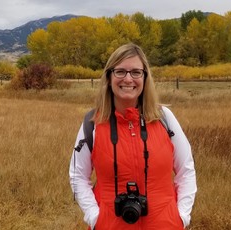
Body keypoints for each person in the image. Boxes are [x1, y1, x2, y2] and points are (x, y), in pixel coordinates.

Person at [69, 43, 197, 230]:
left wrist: (181, 216)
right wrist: (95, 217)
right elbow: (77, 176)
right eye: (120, 71)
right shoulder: (93, 123)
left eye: (136, 72)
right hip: (110, 225)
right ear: (109, 76)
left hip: (164, 224)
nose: (128, 79)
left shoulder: (164, 118)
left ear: (145, 77)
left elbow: (186, 170)